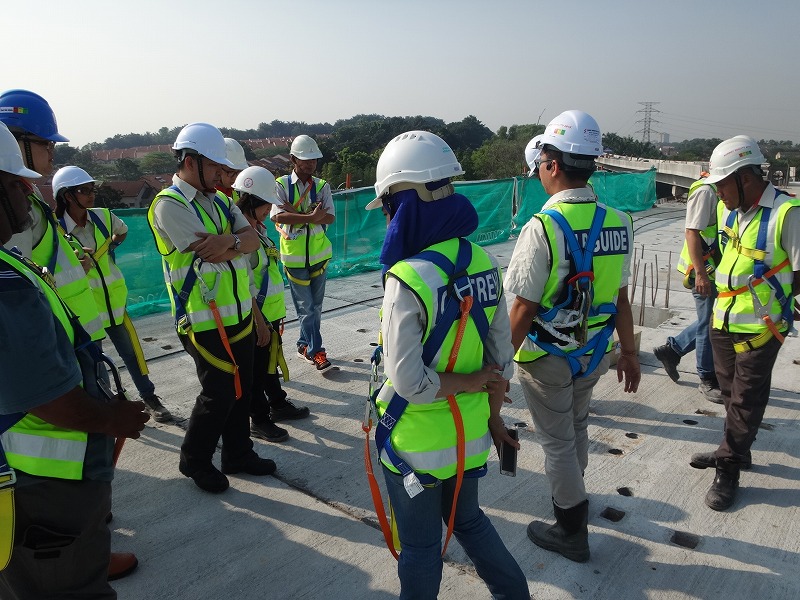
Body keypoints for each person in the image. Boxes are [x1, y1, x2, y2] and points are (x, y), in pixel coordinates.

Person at [366, 131, 529, 599]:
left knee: (419, 548)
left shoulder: (407, 278)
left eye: (390, 210)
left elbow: (410, 382)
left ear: (402, 203)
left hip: (414, 446)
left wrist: (470, 379)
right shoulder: (483, 263)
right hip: (469, 441)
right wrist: (494, 417)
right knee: (471, 523)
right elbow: (503, 360)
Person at [0, 121, 149, 599]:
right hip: (41, 475)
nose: (28, 188)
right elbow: (48, 398)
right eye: (13, 180)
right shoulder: (4, 283)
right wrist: (112, 418)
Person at [505, 110, 641, 562]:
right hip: (595, 351)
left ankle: (570, 528)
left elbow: (523, 307)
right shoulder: (619, 222)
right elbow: (621, 296)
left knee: (558, 441)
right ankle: (574, 496)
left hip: (546, 355)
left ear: (553, 164)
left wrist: (496, 366)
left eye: (543, 159)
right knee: (577, 426)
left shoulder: (541, 228)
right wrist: (631, 353)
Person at [147, 122, 276, 493]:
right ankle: (195, 460)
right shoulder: (168, 205)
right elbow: (210, 251)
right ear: (190, 161)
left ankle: (238, 453)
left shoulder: (218, 201)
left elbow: (249, 240)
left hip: (237, 314)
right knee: (217, 393)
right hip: (203, 321)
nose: (223, 173)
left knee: (242, 388)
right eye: (215, 166)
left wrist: (229, 242)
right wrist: (235, 242)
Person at [688, 135, 800, 511]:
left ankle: (729, 465)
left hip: (761, 326)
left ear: (746, 177)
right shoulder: (734, 210)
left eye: (722, 185)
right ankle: (736, 448)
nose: (718, 193)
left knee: (747, 400)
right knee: (731, 393)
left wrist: (782, 301)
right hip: (723, 320)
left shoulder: (788, 213)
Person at [52, 166, 171, 423]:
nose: (90, 194)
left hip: (114, 302)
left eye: (91, 189)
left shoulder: (103, 217)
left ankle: (149, 397)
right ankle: (104, 407)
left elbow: (123, 230)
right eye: (83, 190)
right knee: (93, 362)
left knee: (132, 353)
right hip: (84, 310)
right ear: (66, 196)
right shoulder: (55, 230)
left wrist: (111, 246)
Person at [0, 89, 105, 344]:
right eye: (45, 143)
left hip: (74, 331)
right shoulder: (12, 205)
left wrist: (72, 259)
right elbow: (16, 284)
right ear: (14, 141)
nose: (52, 151)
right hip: (58, 340)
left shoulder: (30, 193)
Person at [233, 166, 310, 442]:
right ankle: (260, 420)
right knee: (255, 372)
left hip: (271, 314)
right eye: (266, 205)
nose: (270, 210)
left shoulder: (258, 229)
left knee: (269, 365)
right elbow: (243, 285)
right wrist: (259, 322)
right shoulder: (243, 237)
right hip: (258, 317)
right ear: (252, 202)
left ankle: (277, 403)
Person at [653, 174, 722, 402]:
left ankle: (672, 350)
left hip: (718, 269)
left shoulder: (720, 189)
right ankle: (707, 378)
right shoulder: (706, 192)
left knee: (712, 320)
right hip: (704, 270)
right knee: (708, 324)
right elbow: (692, 232)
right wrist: (701, 274)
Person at [271, 135, 335, 372]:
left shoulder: (322, 186)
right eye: (305, 159)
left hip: (319, 256)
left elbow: (329, 216)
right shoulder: (281, 185)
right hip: (294, 258)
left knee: (314, 308)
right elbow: (277, 216)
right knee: (306, 309)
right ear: (293, 159)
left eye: (313, 160)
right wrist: (309, 217)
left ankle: (302, 345)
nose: (310, 164)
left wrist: (299, 215)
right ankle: (317, 351)